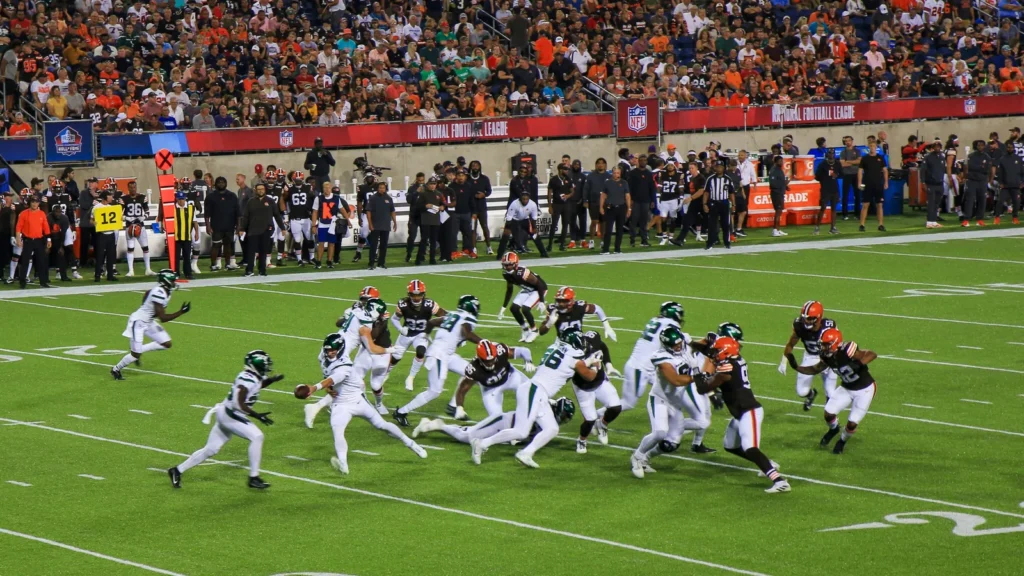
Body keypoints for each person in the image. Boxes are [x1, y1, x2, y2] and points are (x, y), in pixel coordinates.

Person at [470, 328, 599, 468]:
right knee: (521, 431)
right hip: (535, 390)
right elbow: (588, 375)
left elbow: (571, 363)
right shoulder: (574, 358)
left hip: (538, 392)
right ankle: (481, 443)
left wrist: (588, 361)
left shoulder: (555, 347)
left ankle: (526, 453)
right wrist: (596, 366)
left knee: (552, 429)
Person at [304, 333, 427, 476]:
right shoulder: (323, 357)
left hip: (357, 400)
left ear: (341, 349)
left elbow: (331, 379)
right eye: (327, 349)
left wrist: (314, 388)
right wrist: (328, 389)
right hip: (340, 404)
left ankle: (411, 444)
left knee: (381, 425)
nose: (329, 352)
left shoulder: (344, 364)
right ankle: (343, 464)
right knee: (337, 431)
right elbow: (328, 378)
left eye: (333, 350)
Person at [168, 351, 282, 490]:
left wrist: (271, 380)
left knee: (211, 449)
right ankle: (253, 477)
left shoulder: (252, 377)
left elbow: (257, 385)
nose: (267, 367)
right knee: (257, 437)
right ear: (256, 365)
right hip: (231, 414)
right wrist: (258, 415)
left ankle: (177, 470)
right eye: (265, 364)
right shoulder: (247, 379)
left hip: (226, 413)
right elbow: (238, 403)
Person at [699, 337, 791, 493]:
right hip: (740, 413)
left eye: (717, 351)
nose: (714, 354)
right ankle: (767, 463)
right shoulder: (736, 359)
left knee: (750, 448)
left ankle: (779, 481)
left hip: (749, 411)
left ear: (726, 351)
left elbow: (705, 386)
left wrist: (699, 377)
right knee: (730, 446)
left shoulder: (726, 368)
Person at [630, 326, 714, 479]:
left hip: (675, 404)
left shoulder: (684, 344)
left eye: (679, 342)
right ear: (666, 345)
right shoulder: (661, 357)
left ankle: (646, 459)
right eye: (674, 345)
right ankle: (636, 457)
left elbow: (694, 346)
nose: (678, 346)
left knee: (671, 444)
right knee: (660, 432)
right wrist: (696, 378)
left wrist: (709, 341)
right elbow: (675, 380)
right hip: (659, 400)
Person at [392, 295, 482, 427]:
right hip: (439, 354)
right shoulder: (467, 318)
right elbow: (467, 333)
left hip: (446, 353)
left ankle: (453, 406)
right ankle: (401, 412)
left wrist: (425, 336)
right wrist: (484, 342)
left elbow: (431, 323)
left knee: (472, 372)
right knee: (434, 391)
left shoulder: (453, 314)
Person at [786, 328, 878, 455]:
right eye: (822, 344)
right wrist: (796, 367)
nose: (823, 347)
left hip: (865, 389)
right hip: (847, 387)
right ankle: (834, 429)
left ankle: (841, 441)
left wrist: (859, 364)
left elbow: (872, 354)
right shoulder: (826, 356)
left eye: (825, 344)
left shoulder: (847, 350)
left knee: (852, 423)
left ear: (834, 343)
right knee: (828, 413)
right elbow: (814, 369)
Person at [110, 270, 190, 380]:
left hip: (148, 321)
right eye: (173, 281)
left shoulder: (165, 291)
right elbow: (163, 318)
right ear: (166, 281)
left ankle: (140, 349)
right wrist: (181, 312)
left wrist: (146, 308)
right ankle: (116, 369)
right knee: (135, 355)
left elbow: (148, 293)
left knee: (166, 343)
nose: (175, 283)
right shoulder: (158, 293)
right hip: (138, 322)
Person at [413, 397, 576, 447]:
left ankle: (439, 425)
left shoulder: (548, 422)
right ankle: (438, 425)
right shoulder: (542, 409)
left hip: (505, 429)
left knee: (468, 434)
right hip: (502, 422)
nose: (560, 420)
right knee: (467, 437)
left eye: (565, 419)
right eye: (562, 415)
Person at [616, 301, 685, 413]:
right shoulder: (671, 325)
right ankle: (596, 417)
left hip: (649, 367)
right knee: (628, 403)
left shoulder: (656, 320)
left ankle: (669, 422)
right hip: (640, 368)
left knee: (671, 391)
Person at [447, 339, 535, 420]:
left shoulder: (501, 351)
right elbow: (462, 389)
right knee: (497, 420)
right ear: (479, 358)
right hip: (491, 390)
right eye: (486, 361)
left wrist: (528, 361)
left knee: (533, 391)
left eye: (492, 359)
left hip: (510, 377)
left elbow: (524, 351)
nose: (490, 363)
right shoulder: (473, 369)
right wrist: (459, 407)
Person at [778, 300, 838, 410]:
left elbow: (836, 346)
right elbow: (791, 344)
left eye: (810, 318)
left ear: (818, 318)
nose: (806, 320)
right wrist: (784, 360)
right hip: (811, 357)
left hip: (828, 359)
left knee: (831, 394)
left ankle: (834, 424)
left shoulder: (829, 327)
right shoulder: (799, 326)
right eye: (805, 317)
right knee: (801, 391)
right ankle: (811, 395)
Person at [390, 279, 447, 391]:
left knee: (421, 352)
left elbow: (443, 315)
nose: (416, 298)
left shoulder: (429, 305)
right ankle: (385, 375)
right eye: (413, 295)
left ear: (423, 294)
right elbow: (394, 319)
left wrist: (453, 320)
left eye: (419, 295)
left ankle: (411, 377)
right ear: (409, 294)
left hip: (421, 334)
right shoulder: (403, 304)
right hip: (406, 334)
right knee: (395, 358)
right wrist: (401, 329)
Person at [497, 251, 548, 343]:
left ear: (515, 264)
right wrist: (503, 306)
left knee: (525, 309)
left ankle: (534, 330)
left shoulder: (522, 273)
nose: (507, 267)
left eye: (509, 264)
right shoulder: (506, 274)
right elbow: (509, 290)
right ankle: (525, 329)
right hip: (527, 289)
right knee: (514, 308)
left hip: (539, 289)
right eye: (505, 265)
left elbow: (539, 284)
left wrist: (542, 301)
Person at [240, 183, 284, 277]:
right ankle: (250, 270)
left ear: (265, 190)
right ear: (255, 190)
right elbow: (245, 216)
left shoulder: (270, 201)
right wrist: (242, 228)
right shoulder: (251, 202)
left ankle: (262, 270)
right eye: (258, 189)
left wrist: (282, 227)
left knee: (263, 251)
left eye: (262, 189)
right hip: (253, 230)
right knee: (251, 251)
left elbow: (277, 215)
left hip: (266, 229)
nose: (260, 191)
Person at [496, 190, 548, 257]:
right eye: (523, 199)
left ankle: (543, 253)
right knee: (505, 236)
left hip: (525, 220)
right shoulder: (514, 204)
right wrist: (508, 229)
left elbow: (534, 218)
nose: (525, 201)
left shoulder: (533, 205)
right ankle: (499, 255)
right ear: (520, 198)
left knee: (535, 235)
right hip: (513, 220)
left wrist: (534, 228)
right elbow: (509, 218)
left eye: (526, 199)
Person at [15, 195, 51, 288]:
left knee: (41, 261)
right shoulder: (23, 213)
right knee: (25, 261)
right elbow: (19, 227)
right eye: (33, 202)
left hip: (39, 240)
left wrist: (49, 239)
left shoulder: (42, 214)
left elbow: (46, 227)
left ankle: (43, 281)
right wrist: (18, 239)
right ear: (30, 203)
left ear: (39, 203)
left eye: (36, 202)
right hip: (28, 240)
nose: (35, 204)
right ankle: (22, 282)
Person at [205, 176, 241, 271]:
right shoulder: (211, 197)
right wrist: (208, 226)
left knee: (228, 245)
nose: (221, 184)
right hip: (216, 226)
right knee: (216, 245)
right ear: (215, 184)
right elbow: (207, 214)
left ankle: (228, 264)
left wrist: (238, 226)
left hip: (229, 225)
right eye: (219, 182)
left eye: (223, 182)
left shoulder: (232, 196)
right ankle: (213, 264)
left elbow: (238, 213)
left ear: (226, 184)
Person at [121, 182, 153, 277]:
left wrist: (144, 217)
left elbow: (147, 211)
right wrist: (126, 218)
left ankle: (148, 269)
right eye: (131, 187)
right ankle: (131, 271)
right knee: (130, 249)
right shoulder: (124, 199)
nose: (133, 189)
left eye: (134, 187)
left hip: (140, 226)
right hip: (129, 226)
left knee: (145, 248)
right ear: (128, 188)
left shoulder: (142, 197)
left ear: (136, 187)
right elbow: (120, 213)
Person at [703, 160, 736, 250]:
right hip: (714, 203)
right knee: (712, 225)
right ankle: (710, 243)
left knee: (726, 224)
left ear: (723, 168)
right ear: (715, 168)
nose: (719, 168)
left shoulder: (728, 179)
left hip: (724, 202)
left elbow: (731, 193)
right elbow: (706, 192)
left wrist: (733, 205)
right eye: (717, 167)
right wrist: (704, 204)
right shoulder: (710, 179)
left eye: (720, 167)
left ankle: (727, 243)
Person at [312, 183, 346, 269]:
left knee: (332, 243)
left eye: (328, 188)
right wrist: (313, 225)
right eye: (325, 188)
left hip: (332, 223)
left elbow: (342, 210)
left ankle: (329, 261)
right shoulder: (318, 198)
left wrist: (348, 220)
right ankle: (319, 261)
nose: (327, 189)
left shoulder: (336, 198)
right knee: (321, 243)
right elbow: (315, 212)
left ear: (330, 188)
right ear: (322, 189)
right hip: (322, 223)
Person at [599, 166, 631, 254]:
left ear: (620, 173)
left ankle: (617, 248)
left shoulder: (624, 183)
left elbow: (627, 196)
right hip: (610, 208)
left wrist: (629, 208)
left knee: (619, 229)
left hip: (621, 207)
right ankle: (606, 249)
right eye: (614, 173)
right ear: (612, 173)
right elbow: (603, 196)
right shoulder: (607, 183)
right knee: (608, 229)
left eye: (618, 173)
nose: (616, 174)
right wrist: (601, 206)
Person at [857, 142, 888, 232]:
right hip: (867, 184)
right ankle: (862, 224)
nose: (872, 148)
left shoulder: (880, 158)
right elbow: (860, 171)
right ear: (868, 147)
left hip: (878, 184)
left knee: (880, 204)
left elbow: (885, 170)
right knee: (865, 204)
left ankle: (881, 224)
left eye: (874, 146)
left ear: (876, 147)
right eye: (871, 146)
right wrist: (859, 183)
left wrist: (886, 182)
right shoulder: (865, 158)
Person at [365, 181, 397, 270]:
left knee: (384, 245)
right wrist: (370, 224)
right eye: (380, 187)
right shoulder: (373, 198)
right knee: (373, 245)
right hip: (375, 225)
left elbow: (392, 211)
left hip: (386, 225)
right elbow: (368, 211)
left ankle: (381, 263)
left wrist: (395, 222)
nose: (381, 189)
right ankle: (371, 263)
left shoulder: (389, 198)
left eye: (383, 188)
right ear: (377, 188)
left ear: (385, 188)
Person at [962, 140, 993, 227]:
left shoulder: (987, 157)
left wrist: (980, 169)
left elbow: (987, 169)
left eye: (982, 145)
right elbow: (970, 167)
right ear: (976, 146)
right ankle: (966, 219)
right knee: (970, 200)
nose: (980, 147)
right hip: (972, 180)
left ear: (984, 146)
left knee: (982, 200)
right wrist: (980, 167)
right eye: (979, 145)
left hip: (982, 181)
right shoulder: (971, 156)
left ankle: (979, 219)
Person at [546, 163, 576, 251]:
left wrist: (568, 196)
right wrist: (550, 206)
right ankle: (550, 244)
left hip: (566, 204)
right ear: (560, 169)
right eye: (565, 169)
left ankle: (562, 244)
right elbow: (549, 193)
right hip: (556, 204)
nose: (567, 171)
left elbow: (572, 191)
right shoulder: (554, 179)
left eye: (567, 169)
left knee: (565, 224)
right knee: (554, 224)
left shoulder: (568, 179)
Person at [627, 154, 655, 247]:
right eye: (641, 160)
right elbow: (630, 187)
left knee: (644, 221)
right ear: (638, 161)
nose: (643, 162)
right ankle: (632, 240)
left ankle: (644, 240)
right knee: (634, 221)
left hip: (646, 200)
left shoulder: (649, 173)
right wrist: (630, 199)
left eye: (644, 160)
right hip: (635, 200)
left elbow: (652, 187)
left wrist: (652, 200)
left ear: (646, 162)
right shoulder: (633, 173)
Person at [91, 190, 118, 282]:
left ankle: (110, 275)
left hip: (111, 233)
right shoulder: (96, 207)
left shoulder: (111, 207)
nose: (112, 198)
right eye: (110, 196)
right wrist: (95, 223)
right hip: (101, 234)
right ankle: (97, 275)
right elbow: (91, 219)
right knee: (100, 255)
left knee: (111, 255)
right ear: (105, 197)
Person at [468, 161, 494, 255]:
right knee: (473, 229)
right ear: (470, 167)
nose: (475, 167)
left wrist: (484, 194)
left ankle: (489, 247)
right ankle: (474, 248)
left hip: (482, 207)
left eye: (477, 165)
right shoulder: (467, 178)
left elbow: (489, 191)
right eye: (473, 165)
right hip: (471, 208)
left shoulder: (484, 178)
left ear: (480, 167)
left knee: (484, 227)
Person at [582, 158, 609, 248]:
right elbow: (586, 189)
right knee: (594, 221)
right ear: (596, 165)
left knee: (604, 222)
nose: (600, 165)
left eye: (602, 163)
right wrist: (585, 200)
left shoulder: (608, 176)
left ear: (605, 165)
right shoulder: (591, 176)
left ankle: (602, 241)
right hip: (593, 202)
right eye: (598, 163)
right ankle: (591, 240)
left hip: (605, 203)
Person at [995, 141, 1023, 225]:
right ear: (1006, 148)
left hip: (1016, 184)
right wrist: (1000, 182)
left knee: (1017, 202)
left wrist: (1022, 182)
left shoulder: (1018, 159)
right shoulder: (1002, 159)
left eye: (1011, 147)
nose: (1009, 149)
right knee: (1000, 201)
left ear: (1014, 148)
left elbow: (1022, 172)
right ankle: (997, 217)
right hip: (1005, 185)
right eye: (1008, 147)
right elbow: (1000, 173)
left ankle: (1015, 217)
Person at [920, 141, 946, 229]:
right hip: (931, 183)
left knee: (936, 203)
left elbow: (942, 170)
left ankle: (934, 221)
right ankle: (929, 221)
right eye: (936, 146)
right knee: (931, 203)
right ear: (933, 147)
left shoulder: (942, 157)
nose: (937, 148)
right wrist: (923, 182)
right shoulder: (928, 157)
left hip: (940, 183)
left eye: (939, 146)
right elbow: (923, 170)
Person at [814, 149, 841, 235]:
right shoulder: (823, 164)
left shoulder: (837, 163)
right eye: (830, 153)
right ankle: (817, 227)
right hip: (825, 189)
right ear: (827, 154)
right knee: (823, 208)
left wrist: (836, 175)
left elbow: (842, 174)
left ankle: (833, 227)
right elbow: (817, 176)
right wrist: (825, 178)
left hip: (834, 188)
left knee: (834, 208)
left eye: (833, 153)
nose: (831, 155)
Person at [173, 191, 198, 280]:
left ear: (185, 199)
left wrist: (196, 233)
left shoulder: (191, 208)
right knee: (176, 256)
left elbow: (195, 222)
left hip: (187, 236)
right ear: (176, 199)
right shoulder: (173, 209)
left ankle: (188, 273)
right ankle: (176, 273)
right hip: (176, 237)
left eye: (182, 199)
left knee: (187, 255)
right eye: (179, 199)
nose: (181, 201)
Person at [839, 136, 862, 219]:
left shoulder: (857, 151)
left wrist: (848, 161)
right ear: (844, 142)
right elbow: (842, 164)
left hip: (856, 174)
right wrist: (854, 163)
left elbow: (860, 161)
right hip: (846, 175)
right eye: (846, 141)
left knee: (858, 195)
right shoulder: (843, 152)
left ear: (852, 141)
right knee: (845, 195)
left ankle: (857, 214)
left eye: (849, 140)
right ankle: (845, 214)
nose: (848, 142)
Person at [405, 173, 425, 262]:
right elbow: (409, 200)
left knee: (424, 236)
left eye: (422, 180)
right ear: (416, 180)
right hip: (414, 215)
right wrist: (416, 192)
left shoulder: (427, 187)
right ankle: (409, 253)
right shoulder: (412, 188)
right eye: (419, 180)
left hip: (424, 215)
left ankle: (422, 254)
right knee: (412, 235)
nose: (421, 182)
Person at [768, 155, 789, 237]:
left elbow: (780, 181)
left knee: (779, 211)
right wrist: (784, 183)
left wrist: (786, 187)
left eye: (782, 161)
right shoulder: (773, 170)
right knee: (778, 211)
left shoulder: (779, 170)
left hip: (780, 192)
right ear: (776, 162)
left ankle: (778, 229)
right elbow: (773, 184)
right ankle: (774, 230)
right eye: (780, 161)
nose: (781, 162)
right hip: (776, 193)